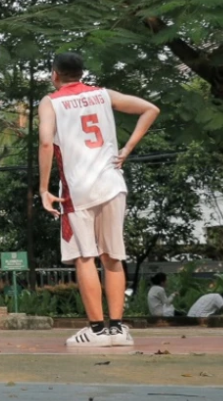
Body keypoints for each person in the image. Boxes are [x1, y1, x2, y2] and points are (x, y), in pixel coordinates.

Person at [38, 52, 159, 348]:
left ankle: (95, 330)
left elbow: (44, 141)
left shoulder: (51, 101)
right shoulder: (103, 94)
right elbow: (150, 109)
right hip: (111, 183)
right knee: (113, 256)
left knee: (85, 257)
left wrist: (43, 188)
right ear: (81, 72)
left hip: (77, 188)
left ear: (55, 74)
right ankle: (117, 329)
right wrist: (128, 148)